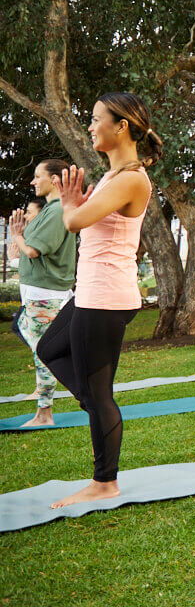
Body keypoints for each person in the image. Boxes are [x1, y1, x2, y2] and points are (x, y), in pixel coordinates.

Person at [37, 93, 158, 508]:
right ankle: (97, 404)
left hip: (105, 297)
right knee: (49, 348)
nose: (90, 126)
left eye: (95, 119)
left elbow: (73, 222)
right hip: (91, 293)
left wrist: (71, 202)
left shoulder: (131, 178)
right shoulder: (114, 175)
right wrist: (75, 198)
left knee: (99, 394)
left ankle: (105, 481)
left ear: (120, 126)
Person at [7, 162, 75, 426]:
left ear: (55, 179)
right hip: (38, 295)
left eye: (38, 176)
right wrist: (20, 244)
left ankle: (44, 414)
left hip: (45, 297)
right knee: (29, 335)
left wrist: (18, 236)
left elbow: (34, 251)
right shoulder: (50, 210)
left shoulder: (57, 210)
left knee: (43, 354)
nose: (33, 182)